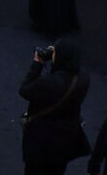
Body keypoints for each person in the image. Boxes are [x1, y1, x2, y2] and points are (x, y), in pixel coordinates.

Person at [19, 40, 92, 175]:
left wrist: (37, 63)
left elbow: (25, 90)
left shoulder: (50, 83)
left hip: (42, 142)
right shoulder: (83, 78)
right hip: (66, 141)